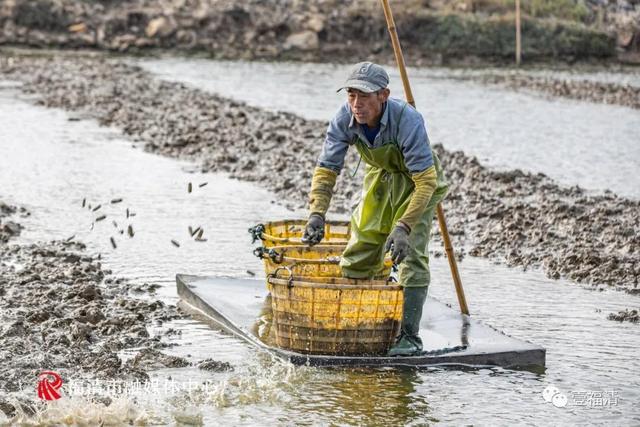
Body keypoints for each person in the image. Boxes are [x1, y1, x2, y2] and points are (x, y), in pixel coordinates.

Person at [302, 61, 448, 357]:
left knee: (412, 255)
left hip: (416, 181)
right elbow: (327, 169)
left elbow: (425, 181)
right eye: (351, 95)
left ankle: (409, 336)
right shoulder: (344, 117)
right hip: (380, 174)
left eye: (364, 97)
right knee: (364, 240)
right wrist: (317, 213)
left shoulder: (408, 120)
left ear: (383, 95)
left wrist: (404, 226)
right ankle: (364, 315)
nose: (357, 104)